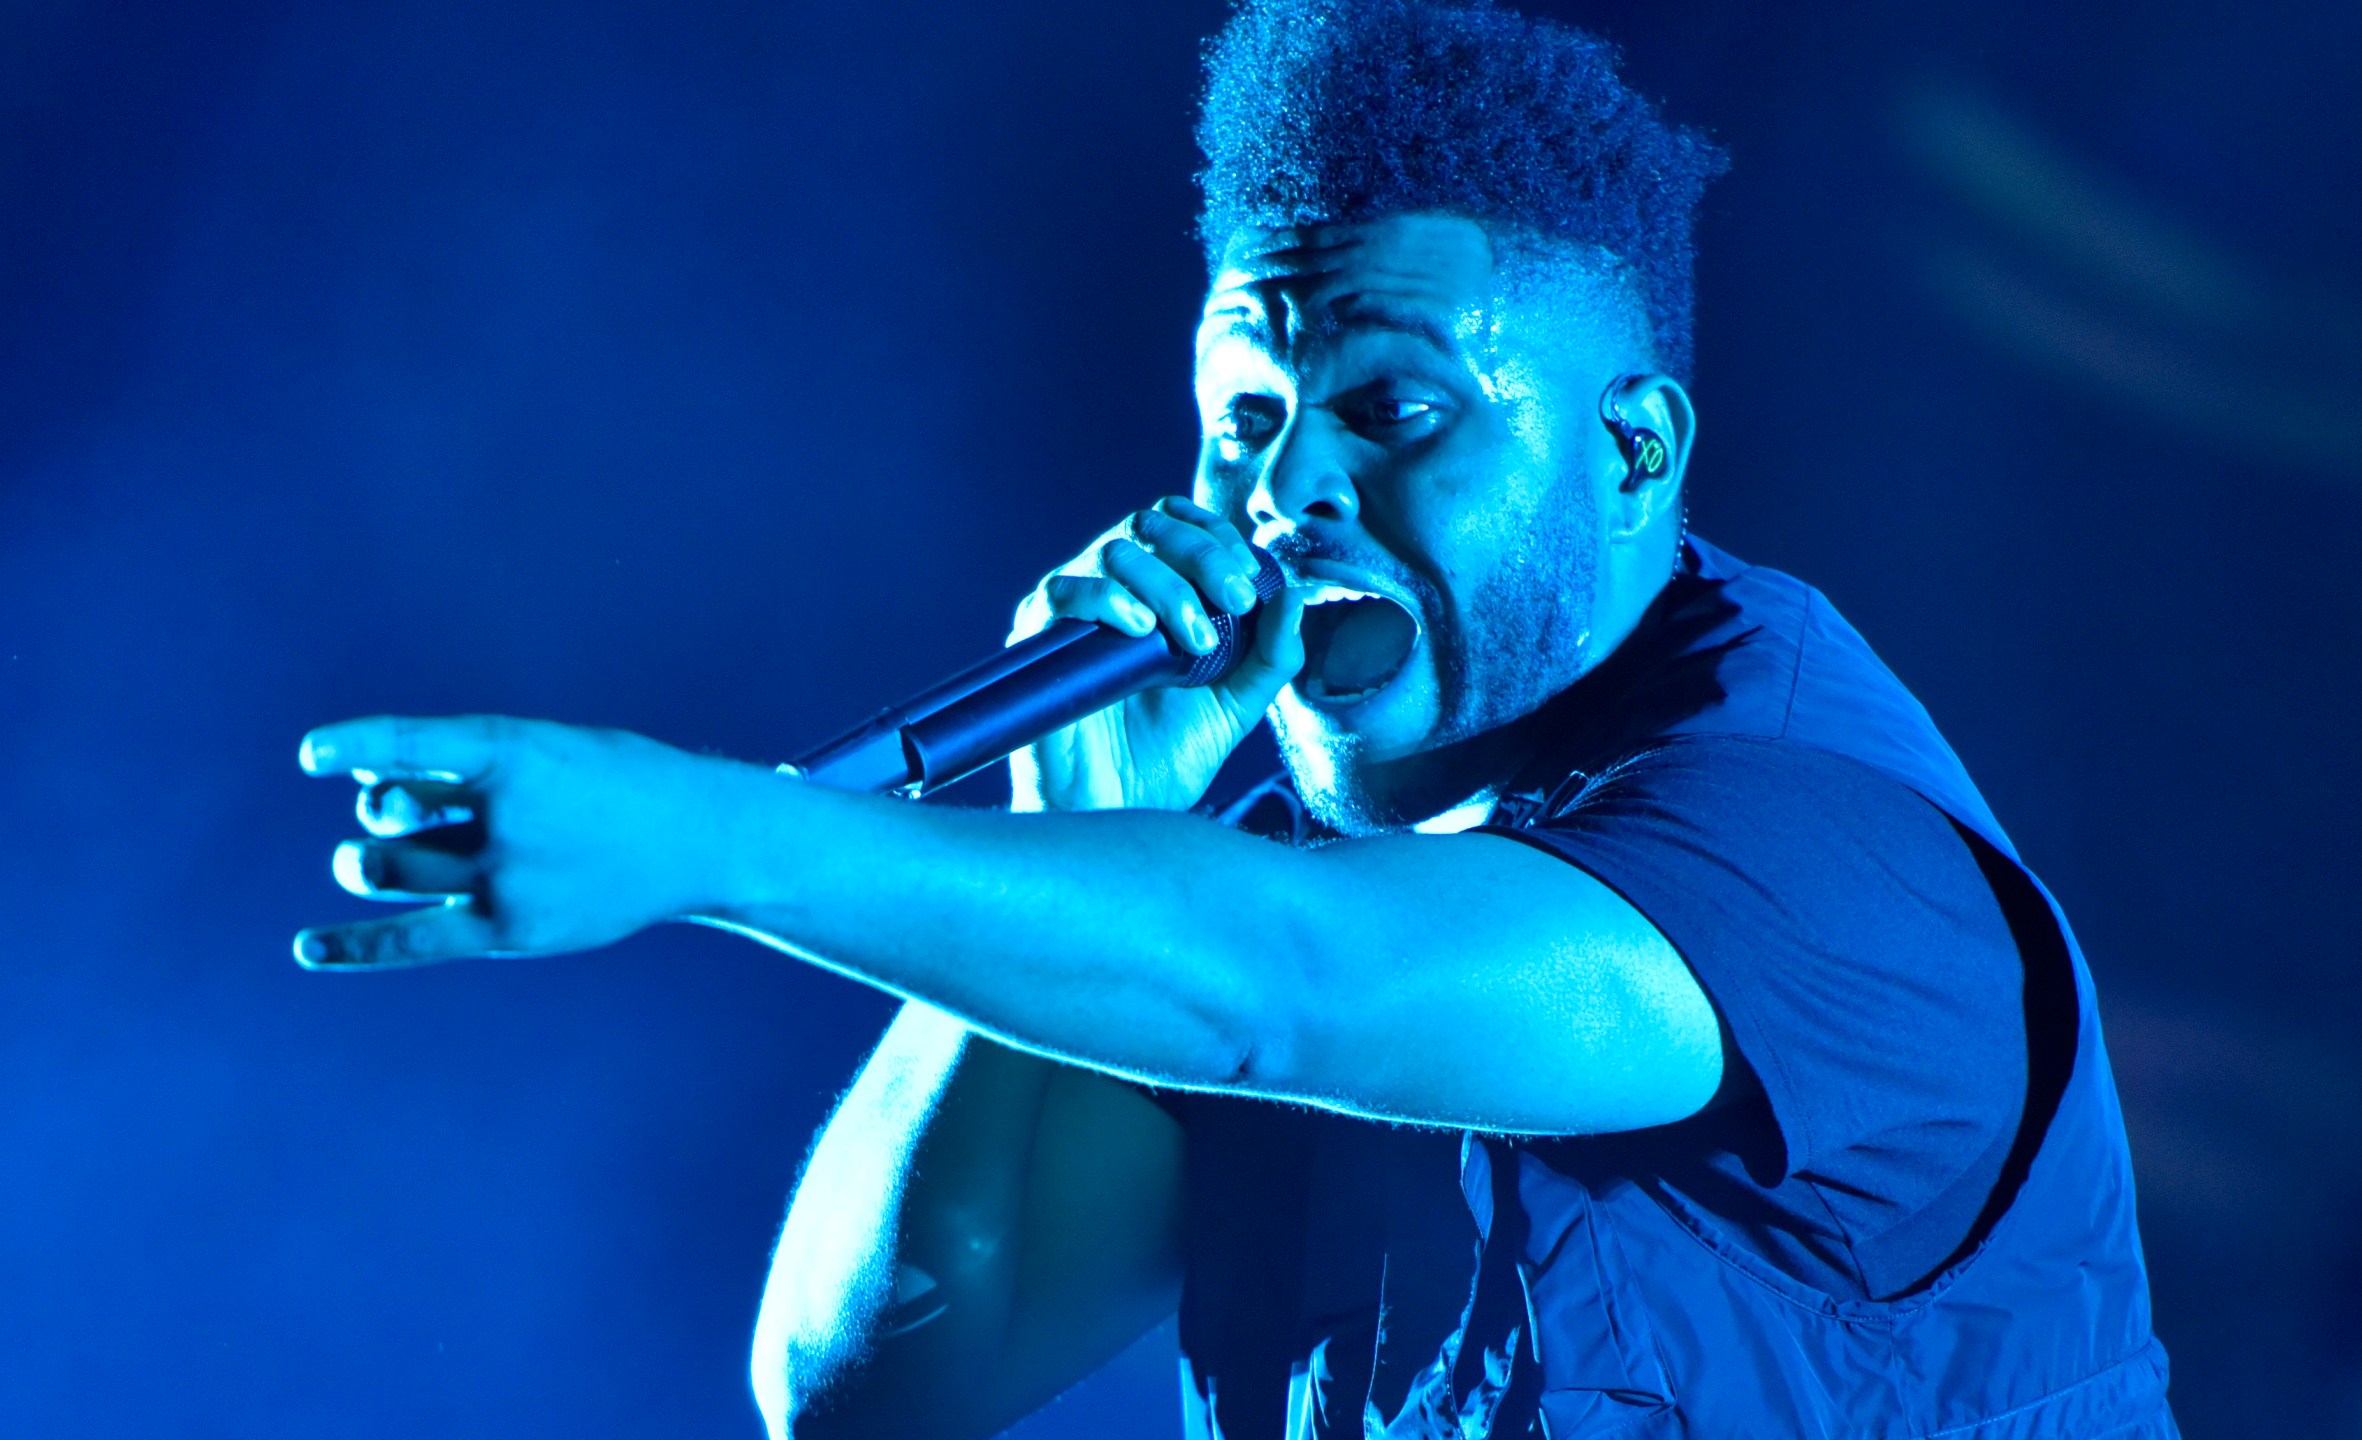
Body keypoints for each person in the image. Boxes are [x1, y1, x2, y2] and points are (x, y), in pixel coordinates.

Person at [294, 1, 2177, 1436]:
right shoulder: (1232, 858)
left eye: (1398, 409)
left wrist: (712, 836)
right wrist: (1055, 833)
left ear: (1629, 448)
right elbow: (869, 1388)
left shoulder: (1816, 847)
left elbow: (1289, 994)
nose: (1296, 494)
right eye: (1251, 415)